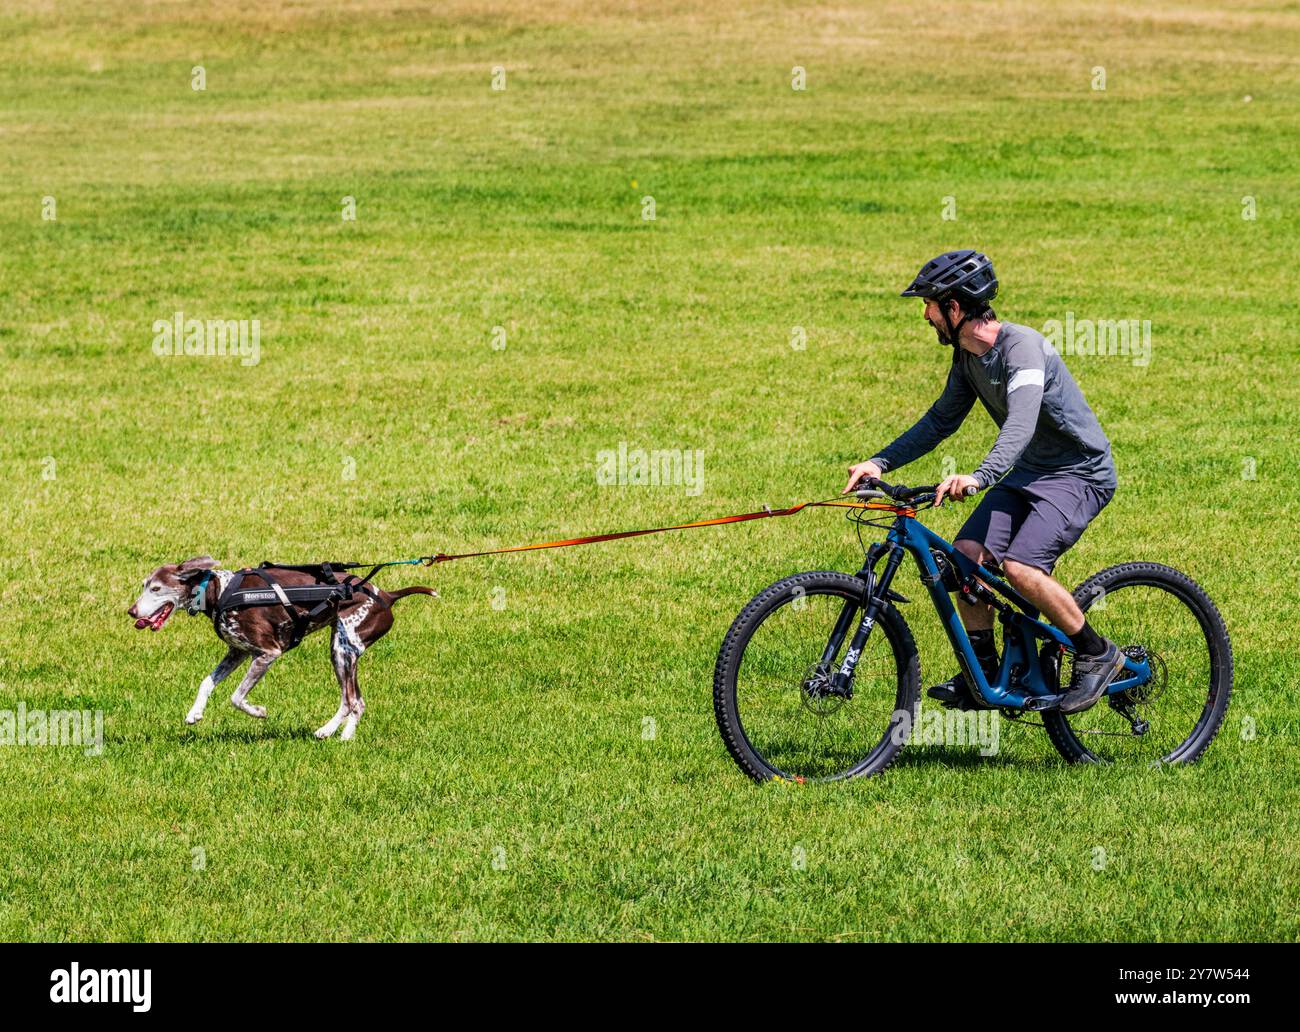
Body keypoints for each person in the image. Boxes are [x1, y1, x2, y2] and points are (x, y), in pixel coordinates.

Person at [844, 250, 1123, 714]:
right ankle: (988, 672)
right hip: (1031, 473)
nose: (925, 315)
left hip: (1079, 474)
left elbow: (1021, 424)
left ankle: (1097, 654)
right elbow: (939, 422)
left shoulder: (1023, 348)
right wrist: (880, 462)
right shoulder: (967, 357)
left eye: (930, 305)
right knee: (964, 560)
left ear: (955, 307)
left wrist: (979, 476)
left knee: (1021, 569)